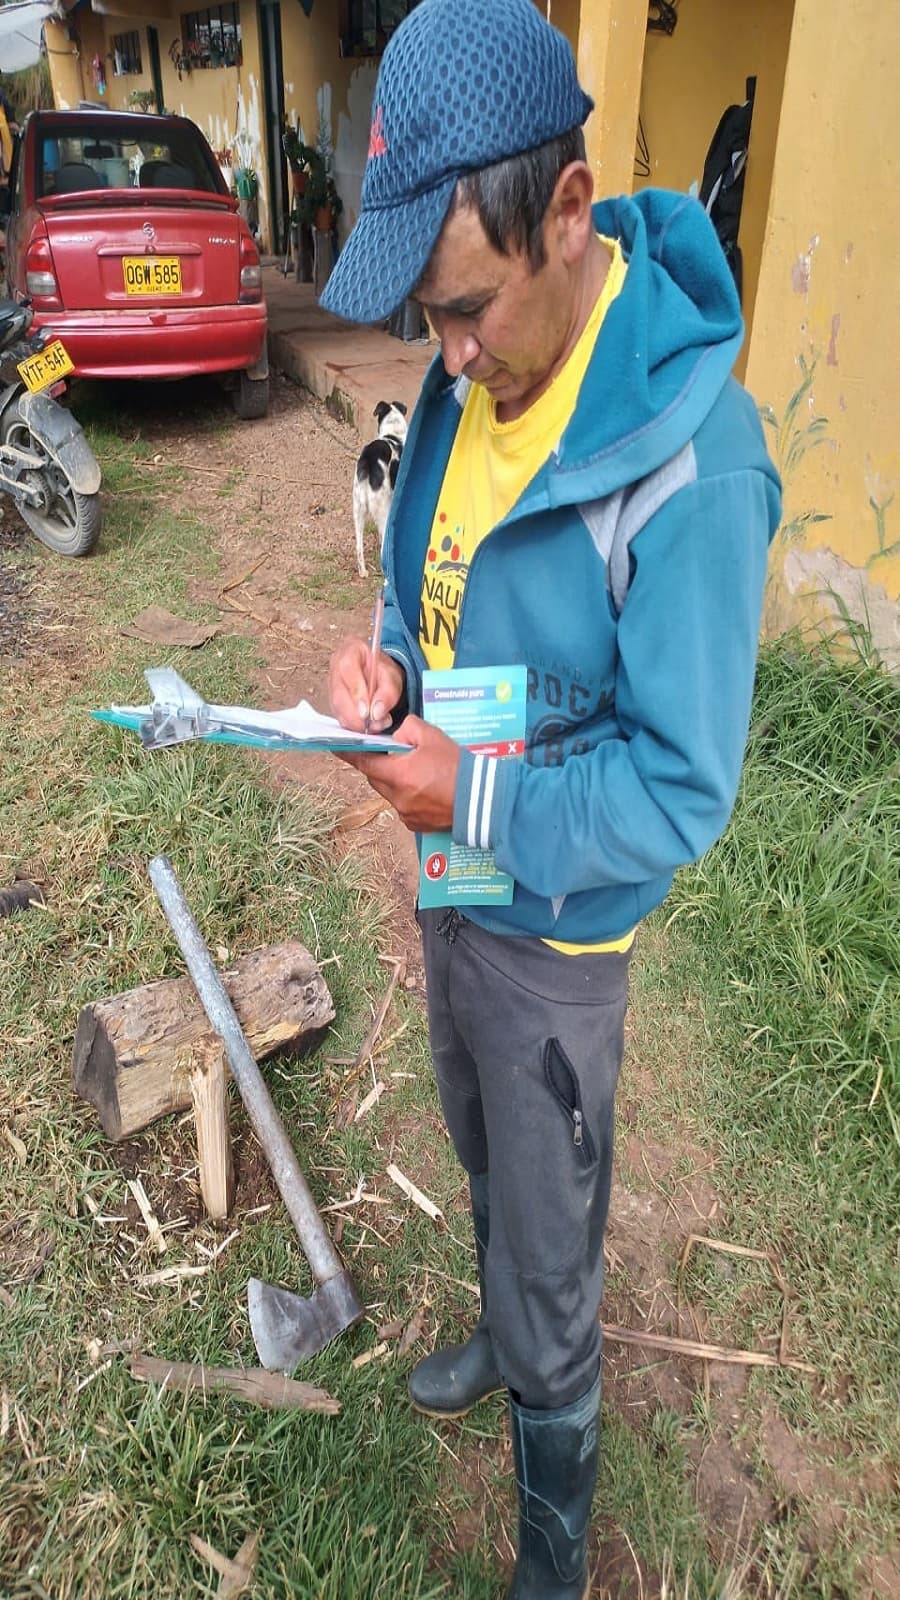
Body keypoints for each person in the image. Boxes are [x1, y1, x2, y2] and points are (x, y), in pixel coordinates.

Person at [324, 1, 781, 1594]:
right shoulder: (466, 389)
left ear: (571, 210)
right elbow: (425, 588)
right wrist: (385, 670)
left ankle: (556, 1523)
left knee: (553, 1218)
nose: (446, 358)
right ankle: (496, 1335)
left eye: (465, 311)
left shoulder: (694, 460)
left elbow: (678, 787)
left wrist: (484, 802)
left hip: (559, 933)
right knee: (476, 1143)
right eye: (431, 324)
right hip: (458, 881)